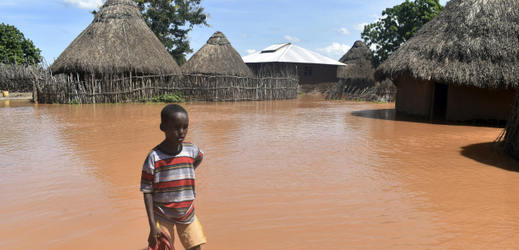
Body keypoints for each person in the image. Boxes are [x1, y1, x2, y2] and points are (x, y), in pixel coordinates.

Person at [141, 104, 206, 250]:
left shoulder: (191, 149)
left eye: (185, 127)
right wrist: (152, 226)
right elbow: (147, 192)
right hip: (162, 214)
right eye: (176, 127)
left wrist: (189, 169)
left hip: (187, 213)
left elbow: (200, 156)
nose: (181, 132)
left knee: (195, 247)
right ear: (163, 127)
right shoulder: (154, 157)